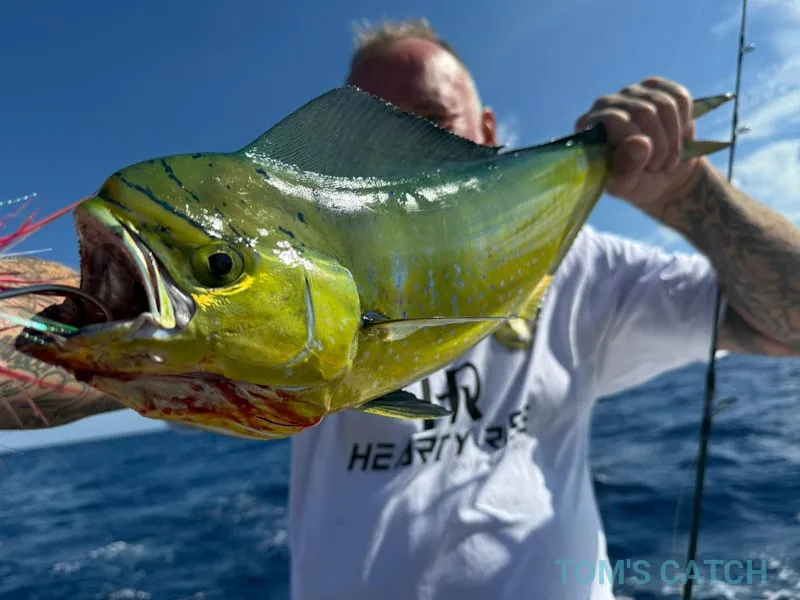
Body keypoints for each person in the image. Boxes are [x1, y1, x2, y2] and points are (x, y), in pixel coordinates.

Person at [2, 17, 800, 600]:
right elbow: (70, 339)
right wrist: (74, 329)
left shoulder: (592, 272)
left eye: (428, 127)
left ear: (489, 133)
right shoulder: (235, 327)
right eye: (371, 135)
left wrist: (687, 193)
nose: (392, 161)